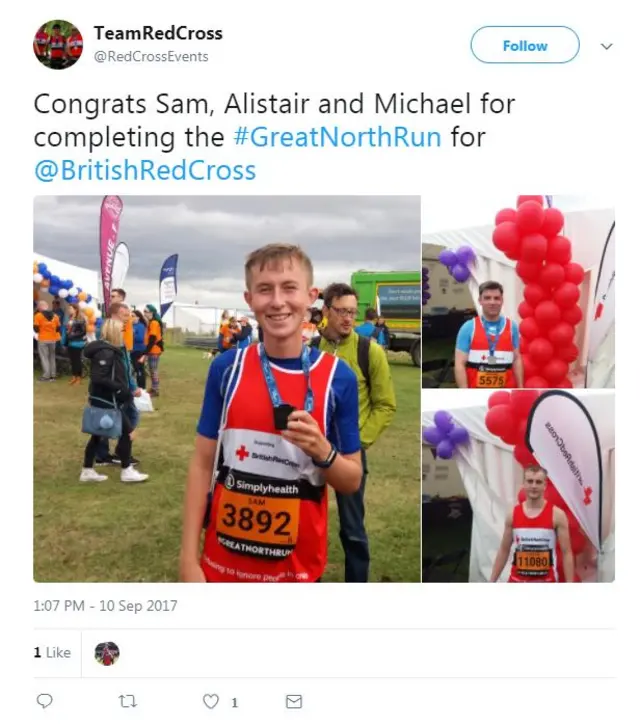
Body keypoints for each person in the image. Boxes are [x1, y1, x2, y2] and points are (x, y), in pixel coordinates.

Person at [180, 243, 362, 583]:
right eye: (265, 289)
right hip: (223, 569)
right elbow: (202, 464)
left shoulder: (339, 378)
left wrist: (323, 452)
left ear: (311, 297)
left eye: (289, 288)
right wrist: (189, 560)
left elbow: (352, 480)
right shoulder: (227, 368)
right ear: (249, 300)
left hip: (298, 573)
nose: (278, 301)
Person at [315, 282, 397, 582]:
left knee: (353, 529)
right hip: (312, 450)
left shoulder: (369, 351)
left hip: (350, 454)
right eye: (341, 311)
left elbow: (386, 404)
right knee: (309, 523)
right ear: (326, 311)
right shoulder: (312, 349)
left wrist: (358, 442)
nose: (348, 318)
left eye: (352, 312)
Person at [81, 320, 148, 484]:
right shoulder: (106, 352)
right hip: (108, 400)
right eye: (121, 330)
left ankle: (87, 470)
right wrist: (120, 389)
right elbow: (99, 377)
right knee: (128, 432)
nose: (124, 333)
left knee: (97, 435)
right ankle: (126, 470)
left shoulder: (109, 350)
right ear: (114, 331)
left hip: (105, 399)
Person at [490, 465, 574, 583]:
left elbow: (567, 553)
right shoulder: (512, 514)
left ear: (545, 485)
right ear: (523, 484)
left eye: (538, 482)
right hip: (516, 581)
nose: (534, 486)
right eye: (530, 481)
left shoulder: (557, 515)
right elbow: (504, 550)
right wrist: (491, 581)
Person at [94, 302, 141, 467]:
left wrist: (132, 386)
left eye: (128, 315)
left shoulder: (123, 332)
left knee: (131, 416)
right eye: (124, 315)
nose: (127, 318)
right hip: (114, 389)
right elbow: (103, 372)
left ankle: (120, 452)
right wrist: (119, 387)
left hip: (124, 387)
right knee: (106, 420)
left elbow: (126, 364)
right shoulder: (108, 335)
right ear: (114, 315)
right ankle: (104, 455)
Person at [454, 281, 524, 389]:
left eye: (496, 298)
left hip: (505, 390)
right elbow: (459, 363)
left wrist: (520, 387)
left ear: (502, 301)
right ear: (480, 301)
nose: (492, 302)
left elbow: (516, 358)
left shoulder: (512, 327)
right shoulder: (468, 327)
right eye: (487, 298)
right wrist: (464, 391)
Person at [34, 301, 61, 381]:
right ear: (47, 306)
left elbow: (36, 328)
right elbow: (58, 328)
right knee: (52, 357)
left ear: (40, 307)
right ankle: (53, 375)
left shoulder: (38, 315)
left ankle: (46, 376)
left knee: (44, 357)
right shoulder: (55, 316)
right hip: (53, 339)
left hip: (43, 339)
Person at [142, 305, 164, 396]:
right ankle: (154, 388)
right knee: (152, 370)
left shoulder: (154, 323)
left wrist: (146, 352)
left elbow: (152, 338)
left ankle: (155, 389)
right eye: (144, 311)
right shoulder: (151, 322)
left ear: (151, 312)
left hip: (154, 350)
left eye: (146, 311)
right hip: (153, 349)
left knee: (153, 370)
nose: (144, 313)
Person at [64, 303, 87, 384]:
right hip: (70, 342)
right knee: (72, 360)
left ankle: (79, 378)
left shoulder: (81, 319)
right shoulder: (71, 318)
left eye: (70, 308)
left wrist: (72, 336)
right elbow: (69, 329)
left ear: (76, 309)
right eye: (69, 308)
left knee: (77, 361)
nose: (69, 310)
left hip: (78, 342)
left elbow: (83, 332)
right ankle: (74, 376)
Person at [130, 310, 148, 389]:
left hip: (139, 351)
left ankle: (142, 387)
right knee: (137, 369)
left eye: (133, 316)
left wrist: (132, 334)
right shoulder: (131, 325)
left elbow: (140, 338)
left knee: (139, 369)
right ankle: (139, 386)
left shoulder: (140, 326)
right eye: (131, 316)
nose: (131, 317)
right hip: (133, 350)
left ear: (138, 317)